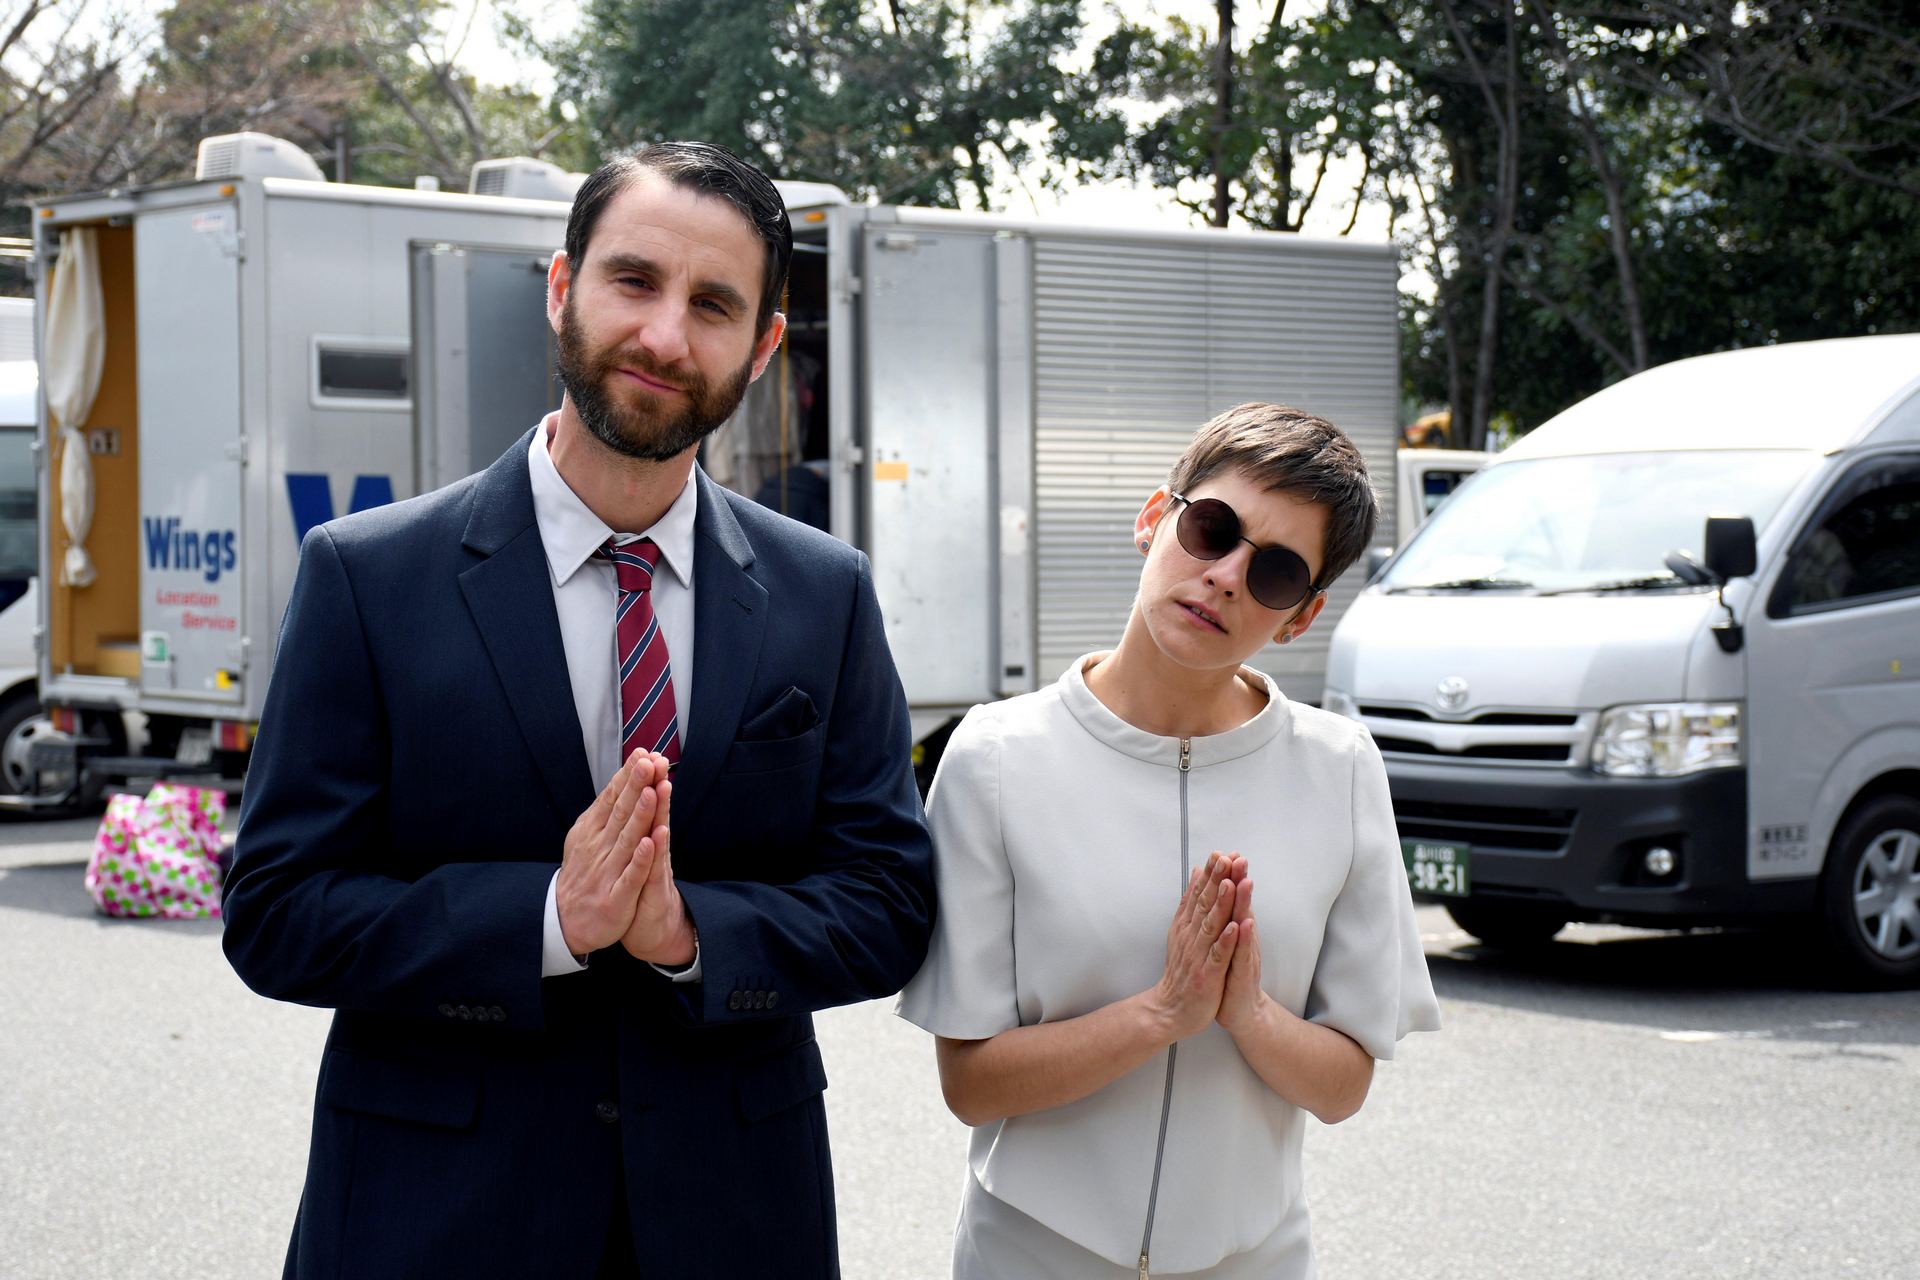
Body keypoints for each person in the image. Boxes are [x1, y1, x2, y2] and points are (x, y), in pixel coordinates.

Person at [223, 142, 935, 1279]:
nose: (663, 335)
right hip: (431, 1221)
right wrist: (549, 918)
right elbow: (276, 907)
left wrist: (692, 934)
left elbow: (889, 897)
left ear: (759, 350)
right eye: (634, 281)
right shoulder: (368, 575)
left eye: (712, 305)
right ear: (563, 289)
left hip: (734, 1221)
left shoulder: (825, 592)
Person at [898, 403, 1441, 1278]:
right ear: (1155, 517)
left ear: (1301, 617)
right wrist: (1162, 1013)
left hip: (1255, 1256)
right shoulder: (998, 756)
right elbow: (971, 1083)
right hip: (1031, 1253)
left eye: (1274, 573)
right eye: (1212, 529)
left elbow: (1343, 1085)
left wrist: (1248, 1013)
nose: (1226, 575)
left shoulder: (1339, 769)